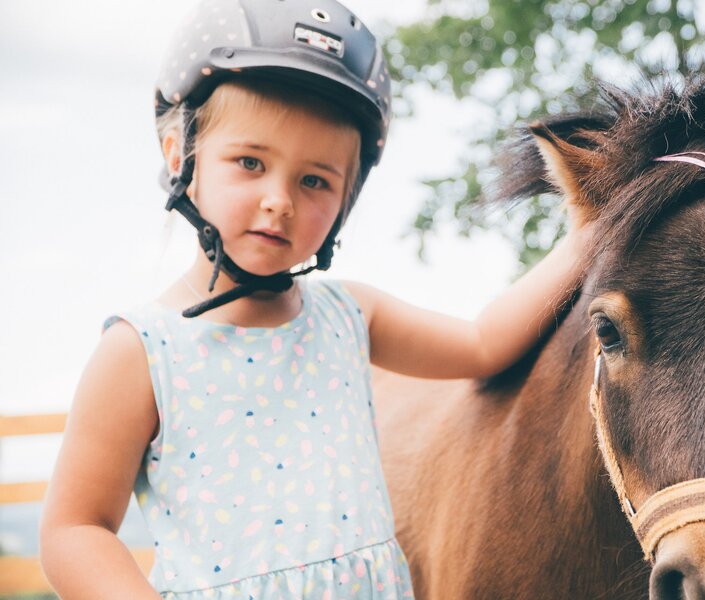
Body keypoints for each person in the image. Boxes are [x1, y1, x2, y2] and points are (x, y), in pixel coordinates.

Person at [39, 0, 589, 598]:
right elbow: (75, 528)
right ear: (181, 158)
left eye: (315, 180)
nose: (280, 199)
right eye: (250, 162)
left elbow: (482, 344)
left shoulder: (350, 315)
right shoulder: (142, 351)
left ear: (347, 197)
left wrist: (588, 236)